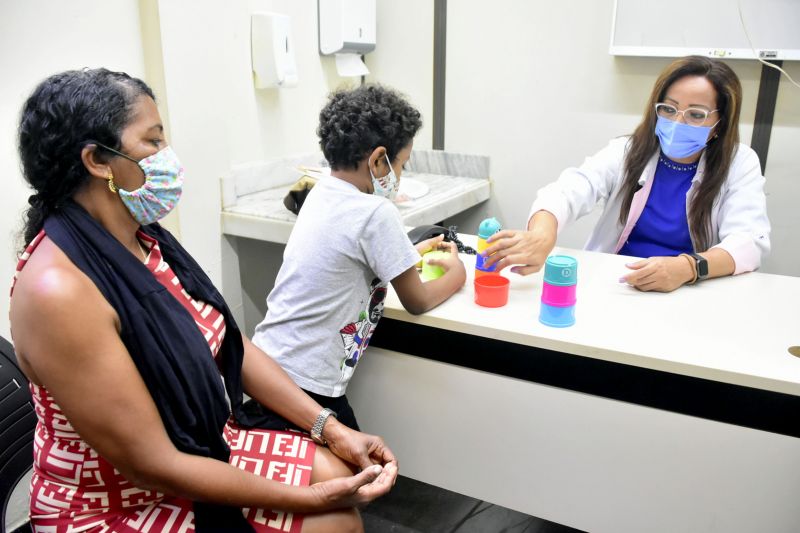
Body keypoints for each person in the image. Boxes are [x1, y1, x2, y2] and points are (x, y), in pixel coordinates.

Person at [9, 68, 398, 533]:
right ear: (97, 160)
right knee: (335, 522)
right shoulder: (59, 292)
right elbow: (151, 463)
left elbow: (229, 343)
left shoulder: (144, 239)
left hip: (200, 441)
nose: (166, 158)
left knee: (339, 474)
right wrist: (307, 497)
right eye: (152, 143)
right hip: (119, 500)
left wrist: (331, 428)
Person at [251, 85, 466, 430]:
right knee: (362, 471)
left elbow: (350, 254)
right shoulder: (376, 212)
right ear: (379, 160)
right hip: (308, 383)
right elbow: (417, 299)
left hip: (269, 365)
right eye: (402, 164)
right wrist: (457, 274)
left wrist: (407, 253)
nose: (400, 176)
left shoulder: (321, 192)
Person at [483, 55, 770, 292]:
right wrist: (543, 234)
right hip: (618, 282)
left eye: (695, 115)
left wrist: (687, 268)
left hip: (688, 289)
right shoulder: (629, 150)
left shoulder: (739, 163)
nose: (677, 122)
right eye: (668, 109)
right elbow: (570, 188)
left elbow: (748, 243)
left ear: (719, 123)